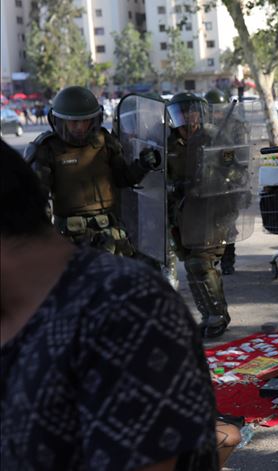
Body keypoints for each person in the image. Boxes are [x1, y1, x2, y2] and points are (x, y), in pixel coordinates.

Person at [0, 138, 220, 470]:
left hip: (105, 231)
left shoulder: (123, 306)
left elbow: (126, 177)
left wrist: (144, 163)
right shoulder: (48, 149)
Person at [25, 86, 159, 256]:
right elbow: (37, 199)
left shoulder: (105, 141)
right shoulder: (46, 149)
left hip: (110, 233)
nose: (80, 127)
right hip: (70, 238)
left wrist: (142, 165)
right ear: (59, 121)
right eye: (74, 122)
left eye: (85, 121)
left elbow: (123, 179)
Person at [166, 92, 250, 338]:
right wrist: (175, 186)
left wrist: (213, 177)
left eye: (191, 111)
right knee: (191, 265)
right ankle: (207, 315)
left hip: (211, 211)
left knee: (201, 263)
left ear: (200, 114)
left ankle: (217, 316)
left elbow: (238, 174)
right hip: (182, 213)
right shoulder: (168, 143)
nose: (187, 117)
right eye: (181, 112)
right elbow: (159, 176)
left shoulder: (214, 137)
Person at [205, 89, 238, 276]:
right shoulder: (204, 126)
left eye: (218, 110)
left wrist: (224, 159)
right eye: (212, 110)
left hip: (228, 180)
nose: (215, 113)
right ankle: (212, 260)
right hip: (208, 180)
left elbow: (239, 152)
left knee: (228, 225)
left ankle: (228, 262)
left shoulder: (235, 126)